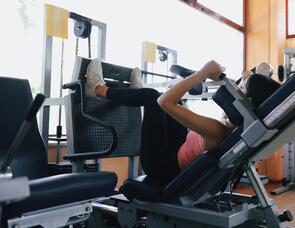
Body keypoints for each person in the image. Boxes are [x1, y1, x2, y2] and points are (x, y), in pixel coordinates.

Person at [86, 59, 280, 182]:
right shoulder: (235, 125)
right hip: (179, 147)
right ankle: (135, 93)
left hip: (161, 164)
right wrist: (252, 80)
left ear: (248, 100)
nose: (236, 86)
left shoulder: (217, 130)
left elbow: (164, 102)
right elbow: (254, 98)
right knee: (174, 100)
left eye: (241, 87)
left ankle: (97, 90)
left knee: (153, 98)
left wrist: (202, 73)